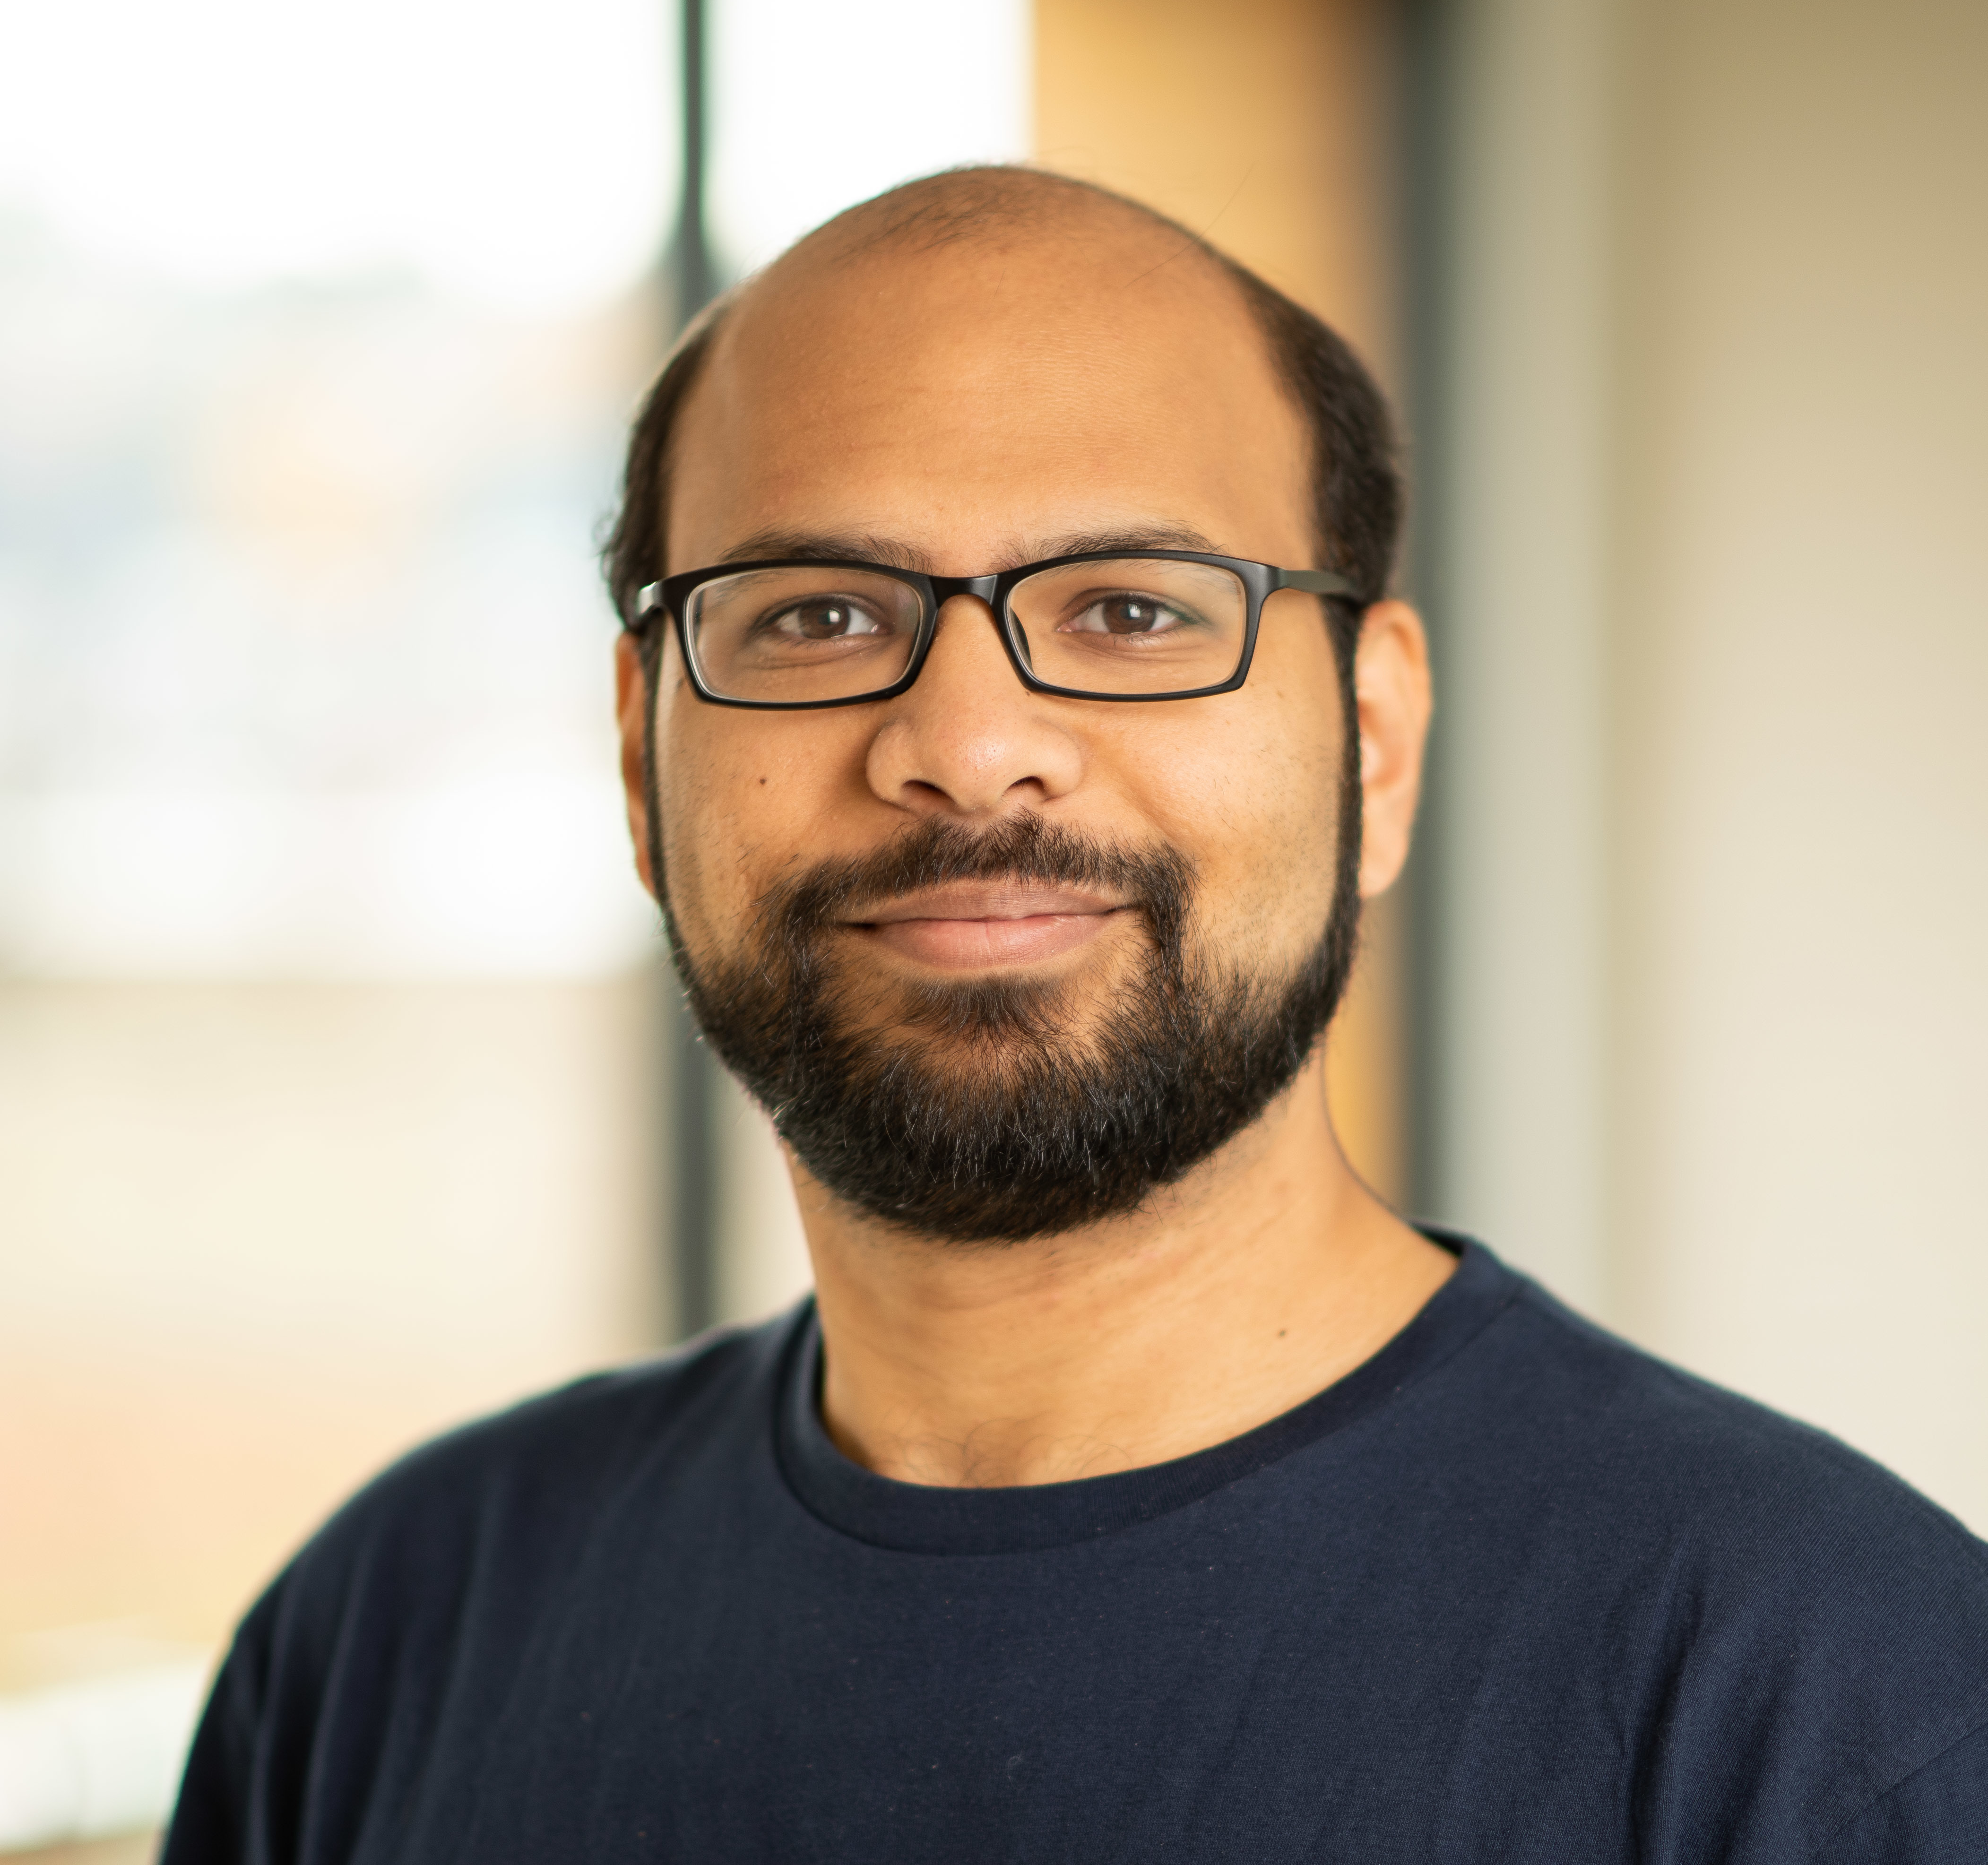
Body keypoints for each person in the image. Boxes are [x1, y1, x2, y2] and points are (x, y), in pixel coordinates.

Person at [164, 169, 1988, 1863]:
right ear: (643, 759)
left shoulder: (1837, 1709)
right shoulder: (390, 1634)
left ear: (1375, 738)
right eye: (812, 617)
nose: (963, 748)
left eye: (1129, 607)